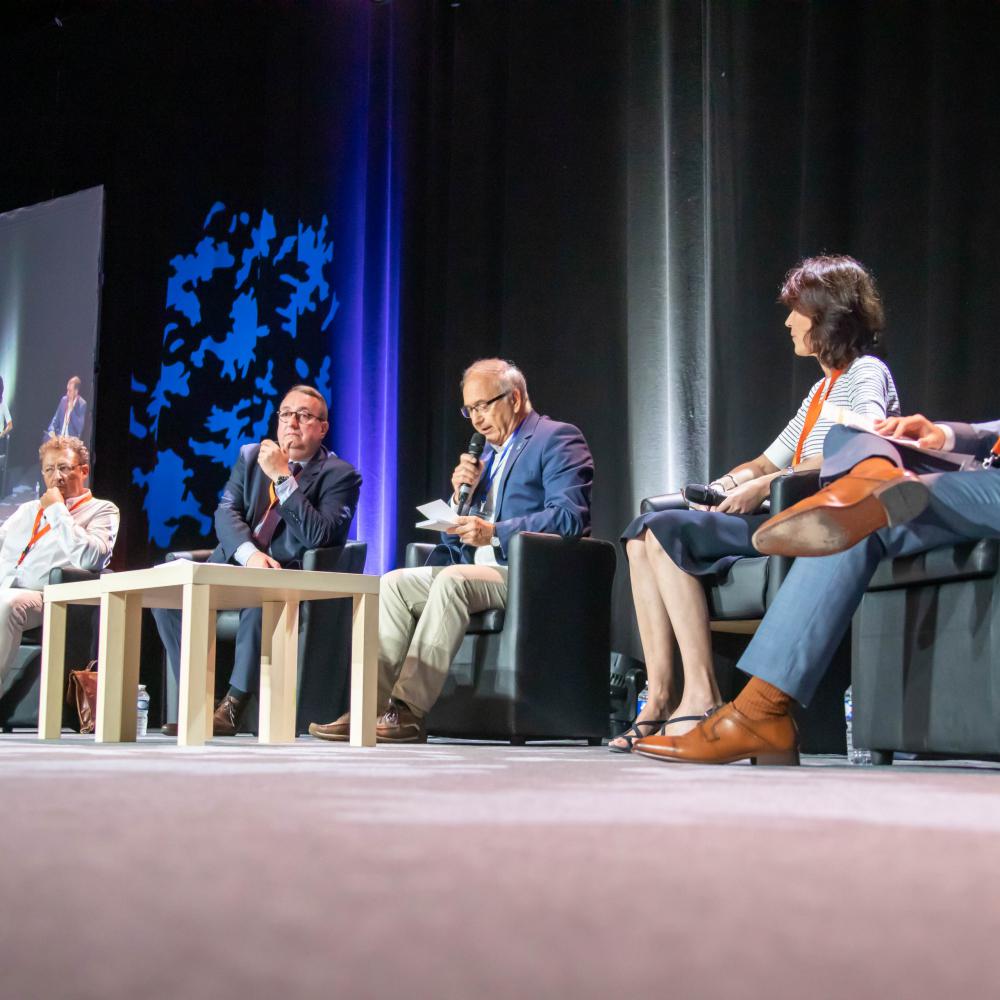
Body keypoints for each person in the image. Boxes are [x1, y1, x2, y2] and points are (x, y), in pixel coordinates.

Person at [611, 255, 901, 752]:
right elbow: (767, 461)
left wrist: (767, 486)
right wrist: (721, 487)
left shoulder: (865, 373)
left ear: (826, 316)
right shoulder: (820, 390)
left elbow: (865, 443)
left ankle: (702, 695)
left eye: (796, 311)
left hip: (813, 520)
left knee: (661, 531)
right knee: (642, 533)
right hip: (783, 510)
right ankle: (660, 697)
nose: (788, 323)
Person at [633, 414, 1000, 766]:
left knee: (859, 514)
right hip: (982, 465)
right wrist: (946, 435)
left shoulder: (864, 378)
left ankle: (760, 712)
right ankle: (875, 477)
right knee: (847, 436)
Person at [309, 357, 594, 744]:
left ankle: (408, 711)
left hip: (526, 573)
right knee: (392, 583)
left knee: (454, 581)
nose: (476, 419)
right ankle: (367, 708)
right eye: (469, 410)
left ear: (514, 398)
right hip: (476, 569)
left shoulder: (556, 438)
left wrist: (494, 532)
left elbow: (569, 518)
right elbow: (454, 541)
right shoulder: (485, 458)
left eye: (483, 405)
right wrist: (460, 499)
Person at [152, 385, 361, 736]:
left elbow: (319, 535)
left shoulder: (340, 474)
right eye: (286, 414)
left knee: (259, 595)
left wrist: (283, 477)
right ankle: (197, 704)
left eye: (304, 416)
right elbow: (226, 512)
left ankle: (233, 707)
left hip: (285, 576)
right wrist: (249, 555)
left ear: (323, 428)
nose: (292, 422)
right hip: (237, 562)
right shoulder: (250, 457)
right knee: (168, 598)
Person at [0, 436, 119, 696]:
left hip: (47, 598)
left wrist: (57, 510)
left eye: (64, 468)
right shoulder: (28, 509)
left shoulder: (102, 510)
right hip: (6, 586)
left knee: (7, 605)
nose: (57, 477)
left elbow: (92, 558)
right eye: (49, 469)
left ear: (83, 471)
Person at [46, 376, 87, 440]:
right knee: (46, 440)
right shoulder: (64, 400)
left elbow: (79, 428)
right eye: (67, 390)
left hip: (71, 440)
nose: (67, 393)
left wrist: (72, 411)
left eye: (70, 391)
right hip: (60, 437)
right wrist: (51, 430)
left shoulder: (82, 404)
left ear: (76, 391)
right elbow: (55, 418)